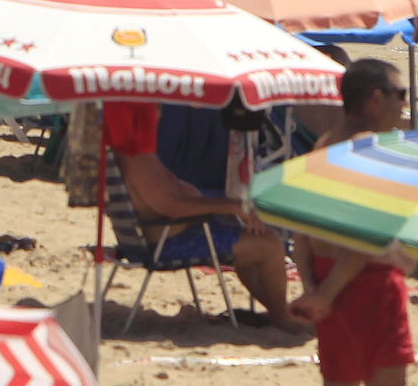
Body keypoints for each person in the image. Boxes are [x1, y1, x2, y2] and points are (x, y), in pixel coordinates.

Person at [290, 59, 414, 386]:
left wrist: (313, 286)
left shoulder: (324, 143)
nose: (405, 106)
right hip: (365, 283)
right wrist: (324, 293)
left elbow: (302, 227)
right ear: (375, 99)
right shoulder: (369, 150)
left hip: (332, 279)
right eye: (401, 95)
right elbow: (365, 237)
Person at [105, 99, 301, 329]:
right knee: (270, 243)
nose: (159, 115)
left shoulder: (133, 151)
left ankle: (277, 311)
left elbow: (170, 197)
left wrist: (220, 201)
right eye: (154, 109)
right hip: (166, 242)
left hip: (164, 234)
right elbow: (171, 206)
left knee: (254, 241)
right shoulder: (137, 157)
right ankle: (282, 317)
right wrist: (230, 207)